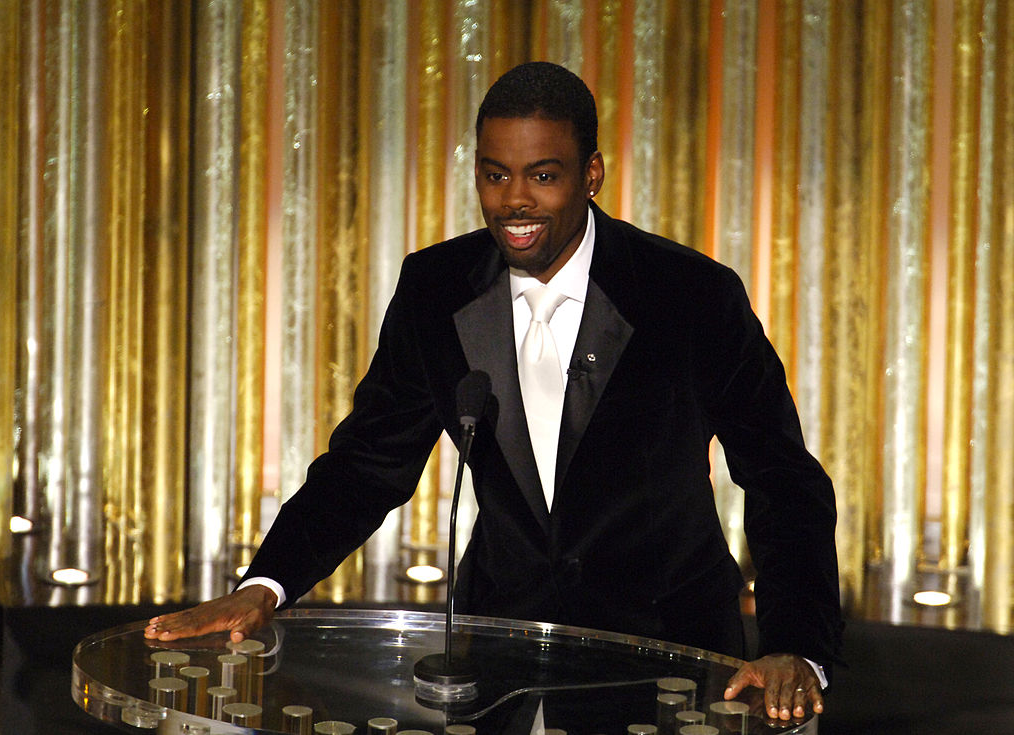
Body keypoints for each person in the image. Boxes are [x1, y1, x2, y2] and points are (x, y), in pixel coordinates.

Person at [146, 62, 843, 722]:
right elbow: (366, 464)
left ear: (591, 174)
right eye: (494, 174)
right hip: (499, 658)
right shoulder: (435, 288)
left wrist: (798, 645)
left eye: (543, 175)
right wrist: (263, 588)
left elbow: (782, 476)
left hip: (666, 660)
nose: (515, 200)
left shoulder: (691, 295)